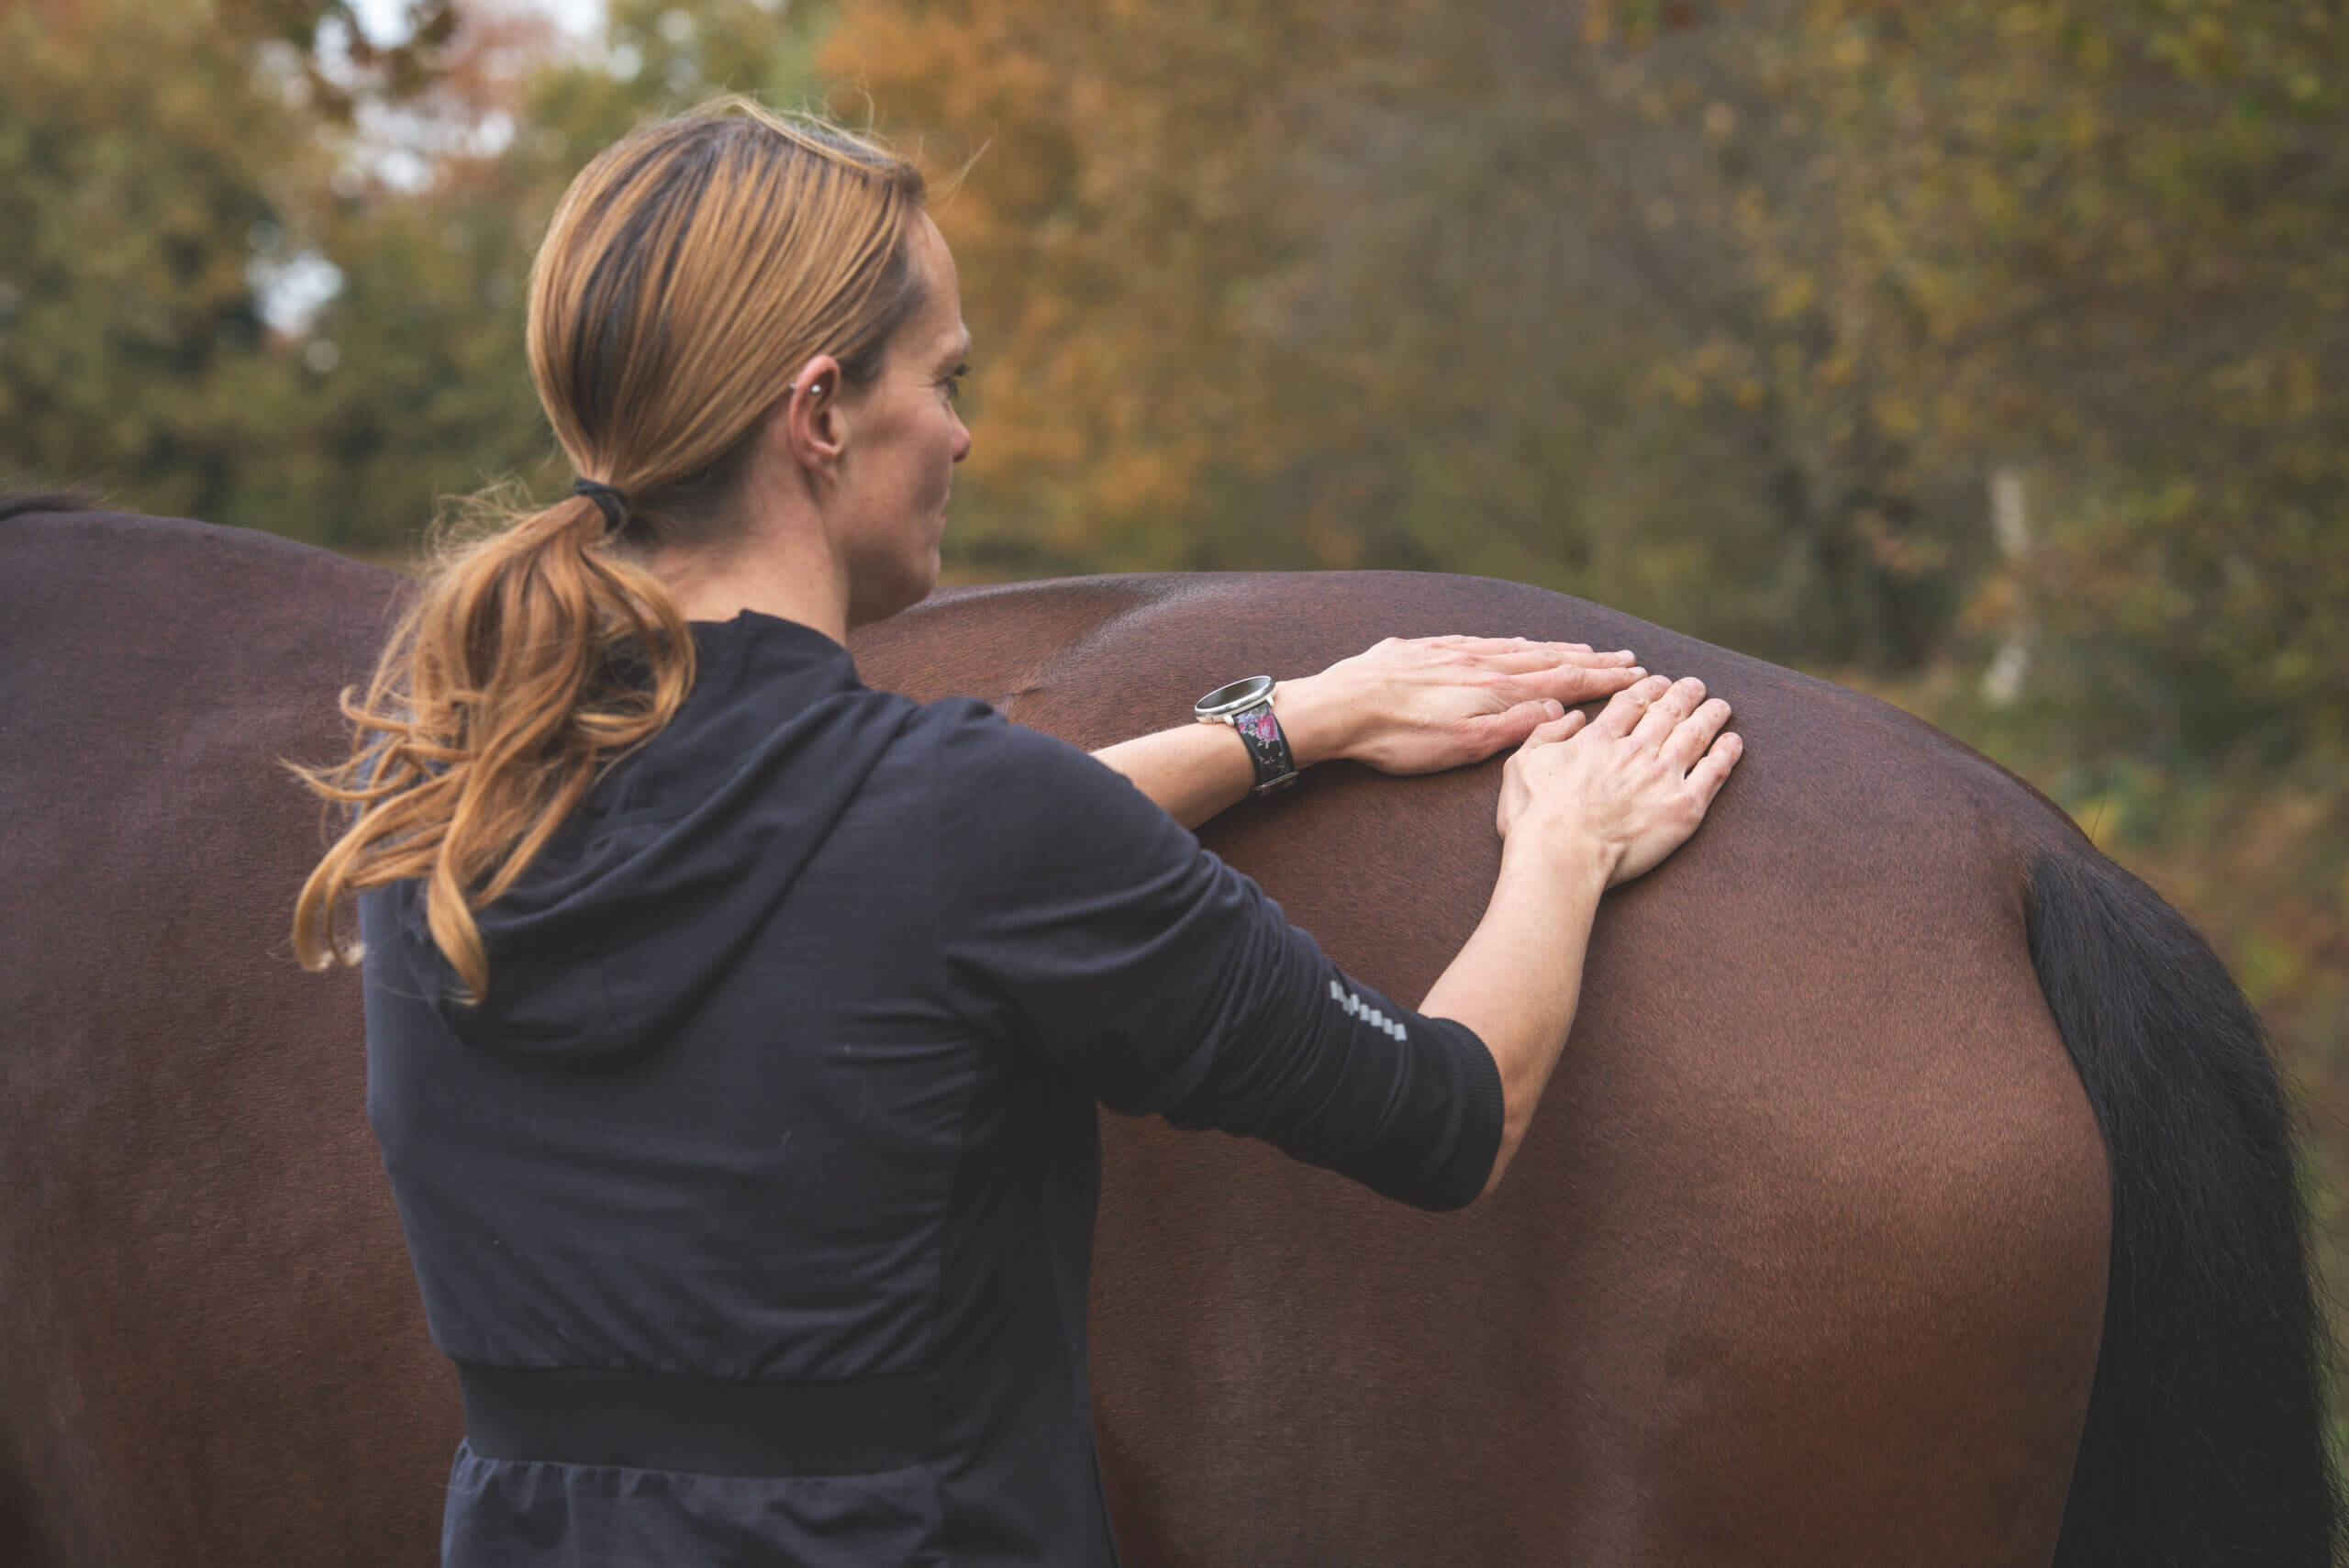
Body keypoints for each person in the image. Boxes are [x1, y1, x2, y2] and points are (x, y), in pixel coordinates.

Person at [293, 98, 1741, 1568]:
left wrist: (1289, 723)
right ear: (820, 413)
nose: (965, 432)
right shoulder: (956, 826)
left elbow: (889, 884)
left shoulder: (435, 813)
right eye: (947, 375)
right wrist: (1565, 840)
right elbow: (1446, 1114)